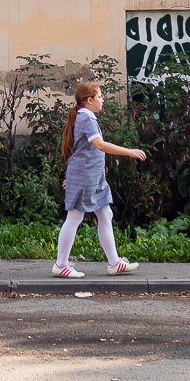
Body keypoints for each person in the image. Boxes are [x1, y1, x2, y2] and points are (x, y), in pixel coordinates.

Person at [54, 80, 147, 278]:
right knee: (75, 217)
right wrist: (129, 152)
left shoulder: (84, 116)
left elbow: (79, 150)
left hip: (92, 177)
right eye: (100, 97)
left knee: (105, 215)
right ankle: (61, 264)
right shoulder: (86, 118)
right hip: (86, 177)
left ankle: (114, 263)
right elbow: (100, 145)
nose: (103, 100)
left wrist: (72, 177)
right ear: (89, 100)